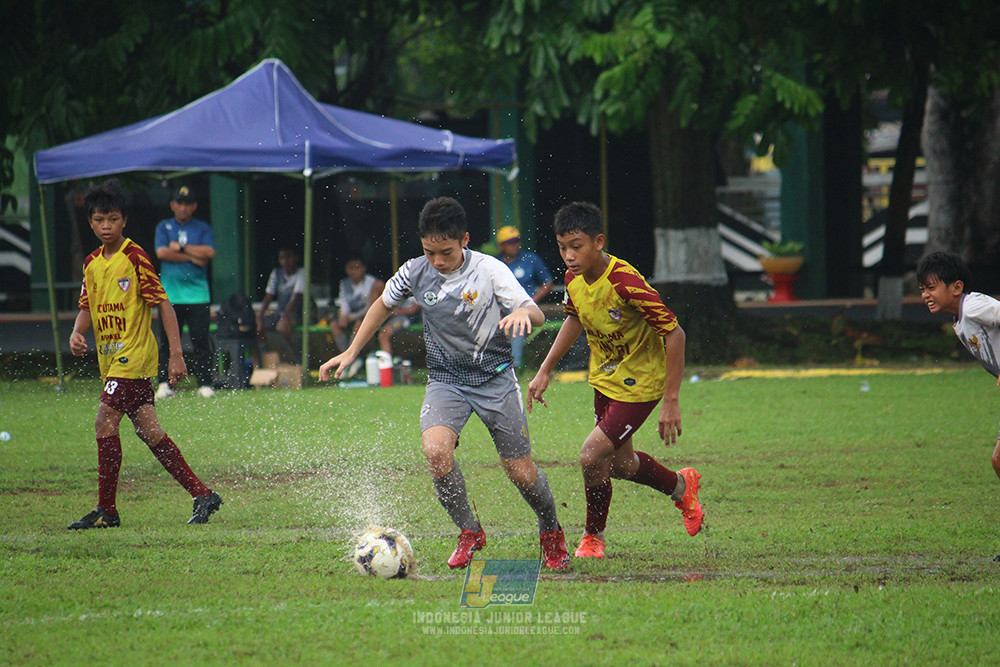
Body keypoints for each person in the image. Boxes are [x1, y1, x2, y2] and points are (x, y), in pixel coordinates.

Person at [319, 197, 570, 570]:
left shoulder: (489, 269)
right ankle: (469, 531)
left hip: (495, 380)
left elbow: (534, 313)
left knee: (521, 472)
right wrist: (353, 350)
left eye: (446, 252)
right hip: (446, 381)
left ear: (464, 240)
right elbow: (383, 305)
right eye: (429, 252)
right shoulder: (413, 272)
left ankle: (550, 530)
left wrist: (521, 312)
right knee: (436, 452)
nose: (437, 261)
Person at [526, 201, 703, 560]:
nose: (569, 256)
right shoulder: (573, 279)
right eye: (562, 247)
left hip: (642, 382)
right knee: (622, 466)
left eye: (576, 246)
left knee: (591, 455)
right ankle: (681, 486)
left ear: (598, 242)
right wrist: (545, 369)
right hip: (605, 378)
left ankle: (593, 537)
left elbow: (675, 334)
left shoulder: (625, 282)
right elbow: (575, 318)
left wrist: (671, 400)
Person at [67, 179, 223, 529]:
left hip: (133, 359)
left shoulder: (135, 257)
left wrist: (176, 354)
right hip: (111, 362)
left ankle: (107, 510)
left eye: (113, 219)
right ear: (90, 222)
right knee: (150, 432)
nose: (106, 226)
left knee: (104, 421)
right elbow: (87, 307)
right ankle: (202, 494)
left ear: (124, 220)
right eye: (99, 220)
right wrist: (77, 333)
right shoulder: (91, 263)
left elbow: (163, 303)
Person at [917, 251, 1000, 483]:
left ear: (956, 287)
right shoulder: (961, 319)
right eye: (922, 289)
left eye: (931, 288)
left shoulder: (973, 306)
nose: (925, 295)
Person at [154, 185, 216, 398]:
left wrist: (180, 248)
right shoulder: (164, 227)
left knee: (201, 341)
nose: (183, 207)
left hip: (198, 295)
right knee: (167, 342)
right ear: (172, 205)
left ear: (194, 206)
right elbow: (162, 252)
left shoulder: (202, 228)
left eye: (187, 204)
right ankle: (165, 383)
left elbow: (208, 252)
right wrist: (192, 257)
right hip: (170, 296)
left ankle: (205, 383)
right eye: (179, 203)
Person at [496, 225, 554, 369]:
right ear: (502, 245)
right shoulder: (496, 263)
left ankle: (514, 365)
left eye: (517, 240)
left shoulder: (530, 258)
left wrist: (531, 301)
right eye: (511, 242)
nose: (515, 244)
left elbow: (548, 283)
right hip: (500, 308)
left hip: (524, 307)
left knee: (517, 321)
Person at [329, 255, 383, 376]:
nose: (354, 271)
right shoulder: (344, 283)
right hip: (350, 316)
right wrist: (344, 316)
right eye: (350, 268)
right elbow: (343, 302)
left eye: (357, 267)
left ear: (364, 268)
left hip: (365, 315)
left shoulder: (372, 282)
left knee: (359, 324)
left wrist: (351, 317)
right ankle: (350, 359)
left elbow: (370, 307)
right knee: (334, 325)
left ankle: (350, 360)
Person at [257, 247, 306, 355]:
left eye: (289, 257)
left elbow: (296, 297)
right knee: (257, 327)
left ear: (296, 258)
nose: (285, 261)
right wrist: (260, 317)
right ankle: (265, 358)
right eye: (282, 258)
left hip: (296, 315)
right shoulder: (276, 273)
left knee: (283, 327)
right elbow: (269, 296)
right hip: (279, 314)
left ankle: (300, 358)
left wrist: (284, 318)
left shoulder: (301, 273)